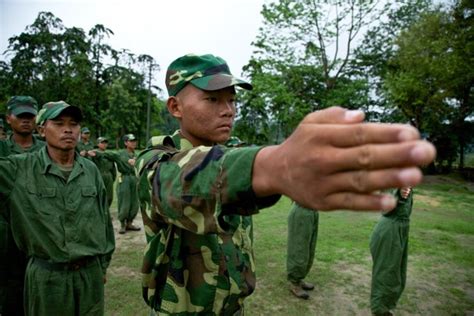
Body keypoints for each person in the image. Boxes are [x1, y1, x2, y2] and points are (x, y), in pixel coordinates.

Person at [135, 53, 435, 314]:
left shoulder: (234, 151)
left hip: (234, 306)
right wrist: (275, 165)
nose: (228, 110)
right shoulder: (156, 160)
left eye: (232, 100)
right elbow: (183, 181)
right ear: (176, 107)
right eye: (212, 99)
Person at [0, 101, 115, 315]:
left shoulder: (90, 170)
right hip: (47, 278)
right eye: (59, 123)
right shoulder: (18, 169)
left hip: (89, 276)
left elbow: (103, 221)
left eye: (74, 124)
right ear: (42, 130)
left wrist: (103, 265)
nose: (68, 129)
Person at [0, 95, 45, 316]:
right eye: (20, 116)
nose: (26, 120)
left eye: (30, 116)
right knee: (11, 292)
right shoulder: (1, 150)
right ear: (9, 118)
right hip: (7, 233)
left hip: (42, 230)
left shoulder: (48, 149)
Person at [370, 187, 413, 316]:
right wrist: (398, 193)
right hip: (390, 232)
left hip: (399, 230)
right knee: (385, 274)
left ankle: (384, 308)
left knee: (395, 274)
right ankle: (379, 310)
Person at [287, 203, 319, 300]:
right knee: (299, 249)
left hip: (312, 209)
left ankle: (299, 279)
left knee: (309, 247)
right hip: (302, 210)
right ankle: (294, 283)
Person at [116, 133, 140, 234]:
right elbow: (122, 161)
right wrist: (128, 161)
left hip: (134, 178)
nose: (134, 143)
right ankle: (122, 224)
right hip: (125, 178)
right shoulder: (121, 153)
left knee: (134, 202)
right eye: (131, 141)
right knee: (124, 201)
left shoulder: (137, 154)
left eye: (135, 141)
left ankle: (130, 223)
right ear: (126, 143)